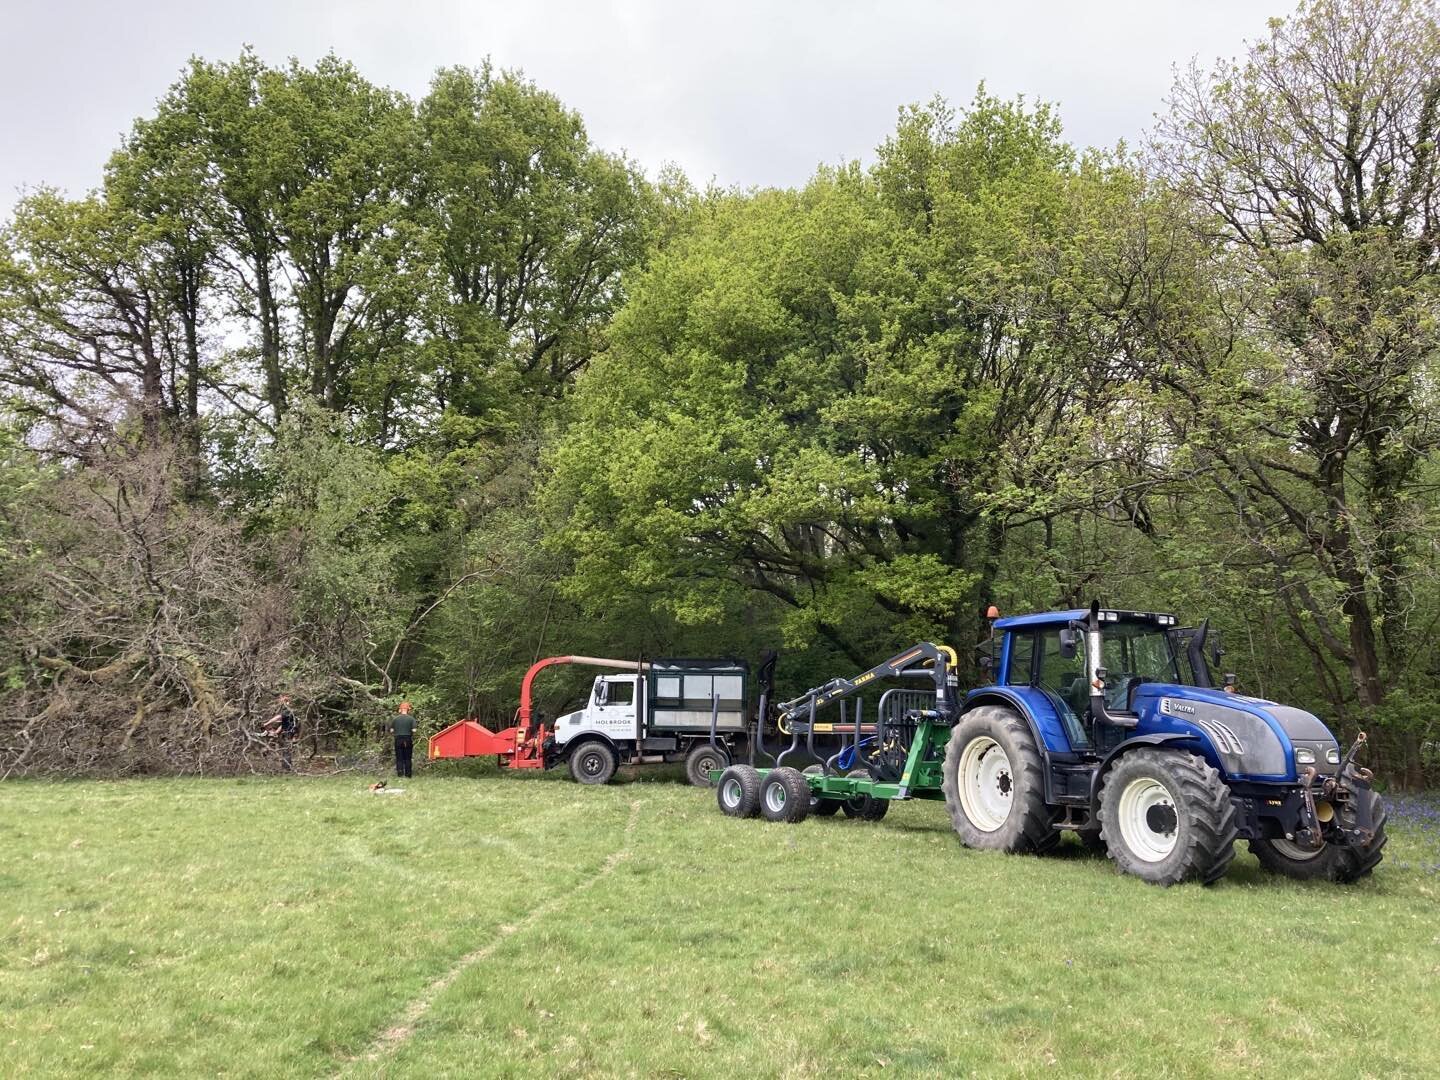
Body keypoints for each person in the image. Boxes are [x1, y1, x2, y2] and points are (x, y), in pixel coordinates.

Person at [265, 694, 298, 772]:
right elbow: (283, 723)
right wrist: (276, 732)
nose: (279, 700)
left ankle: (287, 769)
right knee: (284, 750)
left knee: (286, 750)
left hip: (289, 733)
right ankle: (285, 767)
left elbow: (279, 717)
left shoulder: (288, 710)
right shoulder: (285, 710)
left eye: (281, 699)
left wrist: (267, 723)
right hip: (285, 732)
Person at [391, 701, 416, 778]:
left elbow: (391, 730)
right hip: (407, 739)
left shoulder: (395, 719)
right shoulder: (412, 719)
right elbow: (414, 730)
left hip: (398, 739)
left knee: (399, 757)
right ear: (408, 710)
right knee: (407, 758)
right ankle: (408, 775)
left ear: (400, 709)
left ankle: (400, 774)